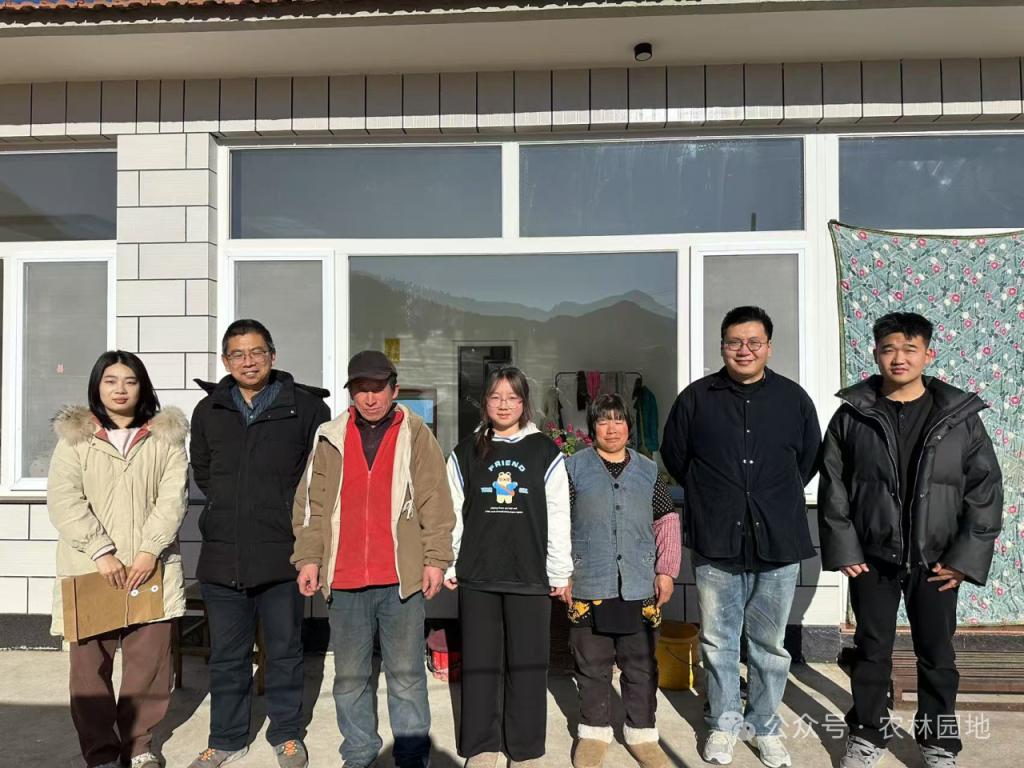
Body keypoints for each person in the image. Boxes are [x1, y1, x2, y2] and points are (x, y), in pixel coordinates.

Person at [818, 312, 1003, 768]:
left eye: (909, 349)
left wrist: (963, 559)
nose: (898, 358)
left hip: (937, 561)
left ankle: (939, 742)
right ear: (875, 354)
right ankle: (867, 735)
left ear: (928, 354)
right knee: (871, 651)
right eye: (888, 349)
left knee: (937, 654)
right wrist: (845, 547)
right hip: (873, 558)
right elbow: (834, 485)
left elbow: (985, 491)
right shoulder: (853, 415)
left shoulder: (959, 417)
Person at [661, 306, 821, 768]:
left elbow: (808, 459)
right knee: (718, 641)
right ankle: (724, 724)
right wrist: (716, 494)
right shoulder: (696, 399)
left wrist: (769, 494)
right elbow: (676, 457)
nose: (744, 350)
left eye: (754, 342)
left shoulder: (793, 399)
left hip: (778, 537)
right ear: (722, 346)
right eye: (735, 342)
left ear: (769, 346)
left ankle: (765, 727)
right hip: (717, 537)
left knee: (770, 645)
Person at [291, 350, 455, 768]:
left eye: (377, 388)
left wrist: (436, 559)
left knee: (406, 676)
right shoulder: (329, 436)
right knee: (349, 678)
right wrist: (308, 558)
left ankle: (412, 755)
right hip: (345, 579)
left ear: (394, 390)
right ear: (351, 393)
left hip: (400, 579)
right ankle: (360, 751)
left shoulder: (415, 434)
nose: (369, 398)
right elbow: (311, 506)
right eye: (361, 389)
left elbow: (436, 502)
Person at [188, 319, 330, 768]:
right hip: (222, 552)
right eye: (238, 354)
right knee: (227, 656)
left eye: (256, 352)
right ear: (225, 360)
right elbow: (204, 471)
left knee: (285, 652)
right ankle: (227, 738)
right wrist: (230, 506)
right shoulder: (209, 409)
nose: (248, 362)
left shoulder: (306, 409)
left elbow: (318, 479)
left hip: (281, 551)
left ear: (272, 355)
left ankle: (286, 733)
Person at [47, 350, 189, 768]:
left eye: (130, 380)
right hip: (90, 569)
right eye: (110, 381)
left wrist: (149, 550)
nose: (120, 389)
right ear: (97, 386)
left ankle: (139, 746)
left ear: (142, 386)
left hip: (151, 567)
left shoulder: (165, 437)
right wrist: (101, 552)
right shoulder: (76, 439)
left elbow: (172, 498)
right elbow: (64, 499)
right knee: (89, 670)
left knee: (150, 666)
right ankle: (101, 754)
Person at [445, 366, 572, 768]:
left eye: (512, 397)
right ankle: (482, 745)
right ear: (485, 402)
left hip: (529, 574)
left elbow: (558, 514)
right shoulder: (466, 451)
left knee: (528, 665)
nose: (504, 405)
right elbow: (452, 513)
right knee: (480, 663)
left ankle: (525, 747)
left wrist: (559, 570)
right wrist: (450, 562)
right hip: (478, 573)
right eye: (496, 397)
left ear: (524, 403)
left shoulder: (545, 452)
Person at [563, 394, 682, 768]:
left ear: (630, 427)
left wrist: (666, 570)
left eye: (619, 420)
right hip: (588, 580)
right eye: (603, 420)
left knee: (640, 664)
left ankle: (642, 734)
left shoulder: (648, 470)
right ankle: (593, 733)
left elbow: (666, 521)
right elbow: (557, 522)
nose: (611, 428)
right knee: (591, 663)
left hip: (639, 581)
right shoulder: (573, 468)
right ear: (592, 427)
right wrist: (562, 573)